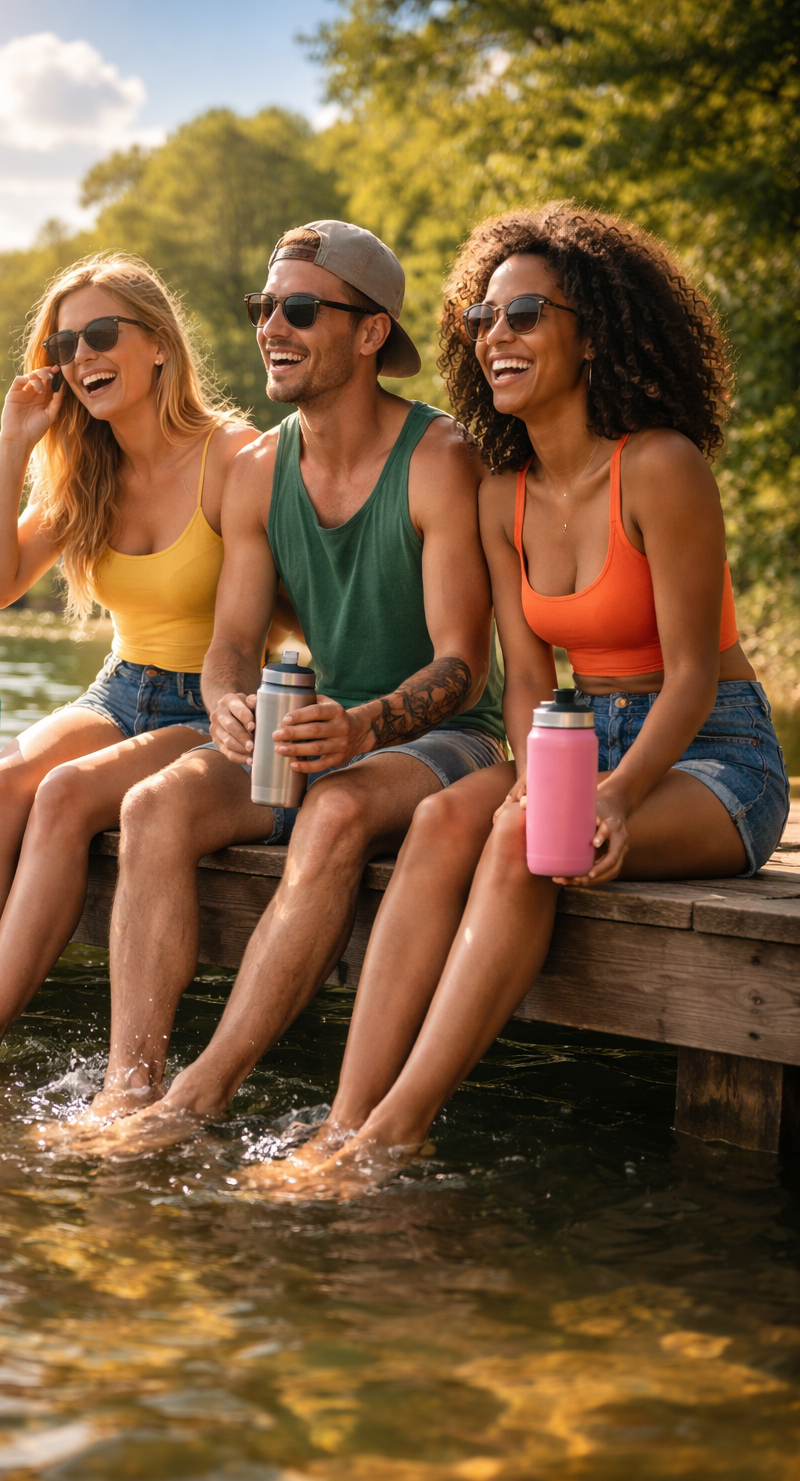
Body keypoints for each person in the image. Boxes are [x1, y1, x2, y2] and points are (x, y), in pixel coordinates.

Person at [249, 202, 790, 1198]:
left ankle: (391, 1138)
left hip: (713, 757)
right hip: (575, 740)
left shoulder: (661, 466)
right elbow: (531, 685)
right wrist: (531, 778)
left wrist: (615, 794)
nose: (496, 338)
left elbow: (690, 676)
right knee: (450, 821)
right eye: (482, 322)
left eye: (525, 316)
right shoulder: (502, 492)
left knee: (521, 836)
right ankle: (342, 1117)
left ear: (591, 330)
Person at [47, 219, 506, 1151]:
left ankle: (200, 1097)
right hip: (312, 736)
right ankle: (128, 1087)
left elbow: (463, 665)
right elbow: (231, 643)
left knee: (336, 812)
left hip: (437, 741)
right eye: (265, 308)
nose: (272, 329)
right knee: (154, 808)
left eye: (300, 309)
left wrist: (367, 725)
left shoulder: (439, 459)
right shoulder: (256, 470)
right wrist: (225, 702)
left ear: (370, 332)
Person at [0, 253, 258, 1063]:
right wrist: (13, 443)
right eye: (63, 348)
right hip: (120, 688)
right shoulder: (84, 467)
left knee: (62, 797)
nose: (82, 358)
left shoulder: (233, 456)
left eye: (100, 335)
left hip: (212, 703)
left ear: (159, 344)